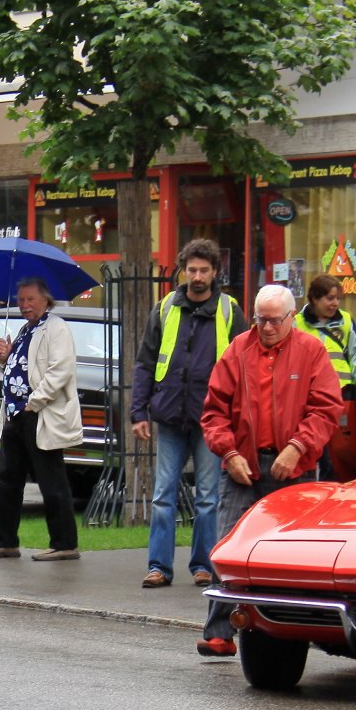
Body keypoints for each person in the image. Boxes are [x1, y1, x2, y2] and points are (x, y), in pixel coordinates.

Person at [197, 284, 343, 656]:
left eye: (275, 320)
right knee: (229, 546)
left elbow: (326, 408)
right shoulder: (238, 350)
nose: (267, 327)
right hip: (242, 466)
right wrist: (229, 453)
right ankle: (219, 633)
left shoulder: (310, 351)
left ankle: (291, 629)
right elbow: (214, 411)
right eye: (261, 319)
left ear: (291, 317)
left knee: (290, 554)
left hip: (292, 468)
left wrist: (297, 447)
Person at [131, 239, 246, 589]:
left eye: (204, 270)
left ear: (215, 272)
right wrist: (138, 411)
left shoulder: (229, 310)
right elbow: (146, 362)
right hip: (169, 416)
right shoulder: (166, 307)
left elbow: (245, 366)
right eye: (192, 270)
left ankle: (203, 566)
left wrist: (238, 417)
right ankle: (158, 567)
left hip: (213, 419)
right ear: (183, 270)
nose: (197, 276)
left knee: (208, 497)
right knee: (162, 496)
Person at [0, 277, 82, 562]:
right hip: (15, 414)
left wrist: (33, 403)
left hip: (38, 414)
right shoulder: (26, 330)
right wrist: (5, 359)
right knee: (8, 478)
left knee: (51, 479)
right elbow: (20, 370)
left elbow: (61, 371)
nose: (24, 305)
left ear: (46, 299)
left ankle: (65, 544)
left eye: (30, 299)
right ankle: (5, 542)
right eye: (21, 300)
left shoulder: (56, 328)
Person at [294, 274, 356, 479]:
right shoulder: (297, 323)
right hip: (308, 396)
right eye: (330, 298)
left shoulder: (346, 321)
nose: (335, 303)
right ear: (315, 299)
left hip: (341, 396)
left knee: (336, 454)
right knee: (313, 447)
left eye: (337, 298)